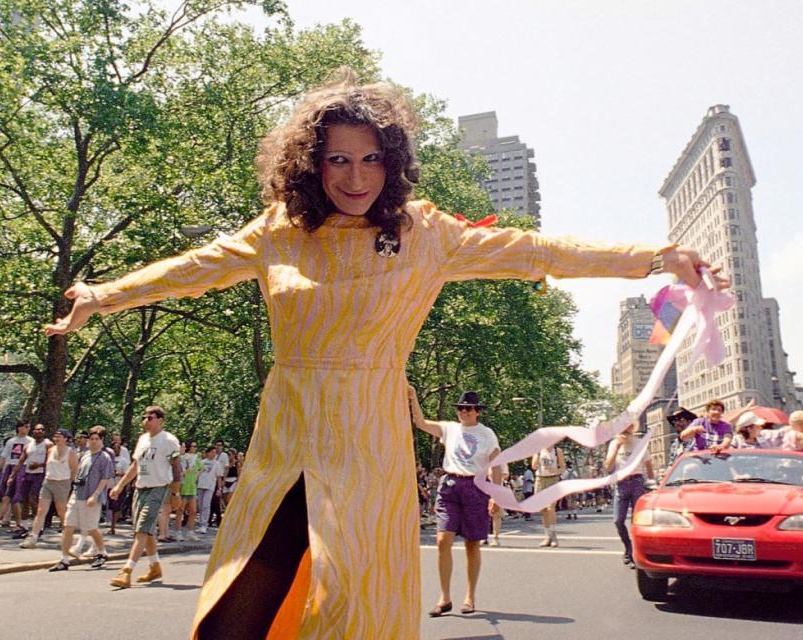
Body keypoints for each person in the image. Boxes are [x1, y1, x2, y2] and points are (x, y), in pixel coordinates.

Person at [43, 70, 721, 637]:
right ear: (311, 164)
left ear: (392, 163)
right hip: (283, 442)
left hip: (367, 448)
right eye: (338, 158)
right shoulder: (281, 231)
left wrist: (654, 258)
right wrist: (103, 295)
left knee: (351, 603)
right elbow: (194, 267)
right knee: (238, 605)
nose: (356, 175)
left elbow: (535, 252)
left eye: (371, 158)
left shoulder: (426, 233)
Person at [408, 387, 500, 617]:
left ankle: (469, 597)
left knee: (472, 544)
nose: (464, 412)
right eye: (460, 409)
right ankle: (444, 597)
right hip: (450, 486)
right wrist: (412, 395)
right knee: (442, 540)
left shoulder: (487, 434)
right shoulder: (449, 429)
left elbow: (496, 465)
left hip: (476, 487)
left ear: (477, 411)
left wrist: (495, 494)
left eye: (468, 409)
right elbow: (419, 422)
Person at [106, 406, 180, 588]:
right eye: (144, 417)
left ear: (160, 419)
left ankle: (126, 571)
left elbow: (176, 469)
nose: (146, 421)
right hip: (141, 488)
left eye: (151, 417)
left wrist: (175, 493)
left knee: (142, 529)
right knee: (146, 531)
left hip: (159, 487)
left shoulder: (169, 441)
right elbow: (135, 466)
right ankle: (155, 567)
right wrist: (119, 485)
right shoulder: (142, 440)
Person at [49, 426, 114, 571]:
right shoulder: (84, 455)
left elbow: (105, 479)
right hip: (77, 494)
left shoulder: (104, 458)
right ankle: (64, 559)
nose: (93, 442)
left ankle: (102, 552)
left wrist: (95, 495)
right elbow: (78, 474)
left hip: (92, 497)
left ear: (102, 440)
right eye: (91, 439)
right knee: (68, 526)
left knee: (91, 527)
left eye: (97, 439)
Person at [604, 424, 655, 568]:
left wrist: (652, 484)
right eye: (622, 427)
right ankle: (628, 547)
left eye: (628, 427)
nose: (625, 431)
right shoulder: (614, 443)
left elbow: (649, 465)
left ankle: (634, 553)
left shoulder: (639, 442)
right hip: (621, 483)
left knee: (636, 520)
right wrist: (616, 448)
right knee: (618, 520)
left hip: (637, 481)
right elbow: (608, 467)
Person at [22, 429, 77, 548]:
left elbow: (74, 470)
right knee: (41, 511)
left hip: (62, 482)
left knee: (61, 511)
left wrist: (69, 483)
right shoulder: (51, 450)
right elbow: (47, 465)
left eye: (60, 436)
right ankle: (33, 537)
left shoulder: (70, 452)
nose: (57, 438)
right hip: (48, 482)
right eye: (56, 436)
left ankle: (67, 537)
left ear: (66, 439)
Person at [0, 420, 31, 535]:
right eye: (25, 426)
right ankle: (14, 524)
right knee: (6, 498)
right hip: (10, 468)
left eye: (28, 426)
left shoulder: (31, 441)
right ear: (19, 428)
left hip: (23, 469)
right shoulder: (11, 441)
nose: (27, 428)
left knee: (15, 499)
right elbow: (3, 457)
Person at [8, 423, 52, 538]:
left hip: (40, 474)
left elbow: (51, 461)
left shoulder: (48, 444)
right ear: (33, 432)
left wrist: (39, 465)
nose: (39, 431)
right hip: (28, 474)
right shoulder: (29, 445)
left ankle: (39, 525)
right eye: (37, 430)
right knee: (24, 500)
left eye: (42, 429)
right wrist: (12, 476)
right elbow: (21, 461)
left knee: (34, 499)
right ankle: (24, 526)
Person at [531, 444, 565, 547]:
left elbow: (563, 467)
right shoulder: (537, 450)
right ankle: (547, 536)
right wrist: (537, 456)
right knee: (543, 509)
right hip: (540, 479)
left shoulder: (556, 450)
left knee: (551, 507)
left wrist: (556, 470)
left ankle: (554, 536)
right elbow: (533, 466)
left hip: (553, 479)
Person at [175, 441, 202, 541]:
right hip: (183, 486)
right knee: (180, 510)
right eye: (193, 446)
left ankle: (190, 532)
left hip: (192, 487)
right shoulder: (182, 457)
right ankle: (178, 532)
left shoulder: (196, 458)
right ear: (188, 447)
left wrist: (196, 476)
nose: (195, 448)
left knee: (193, 510)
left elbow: (201, 468)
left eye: (195, 446)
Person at [195, 445, 223, 535]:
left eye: (215, 452)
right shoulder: (202, 462)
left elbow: (219, 477)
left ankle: (204, 525)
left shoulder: (217, 464)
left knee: (206, 505)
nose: (214, 454)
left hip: (210, 486)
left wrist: (219, 488)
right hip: (200, 485)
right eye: (212, 452)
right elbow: (197, 473)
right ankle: (200, 524)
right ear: (207, 453)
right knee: (200, 505)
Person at [107, 431, 131, 535]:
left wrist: (119, 475)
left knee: (117, 506)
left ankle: (113, 526)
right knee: (110, 505)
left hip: (119, 485)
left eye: (118, 448)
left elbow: (127, 473)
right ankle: (109, 521)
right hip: (109, 485)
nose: (115, 450)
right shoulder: (107, 459)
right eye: (114, 448)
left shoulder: (123, 461)